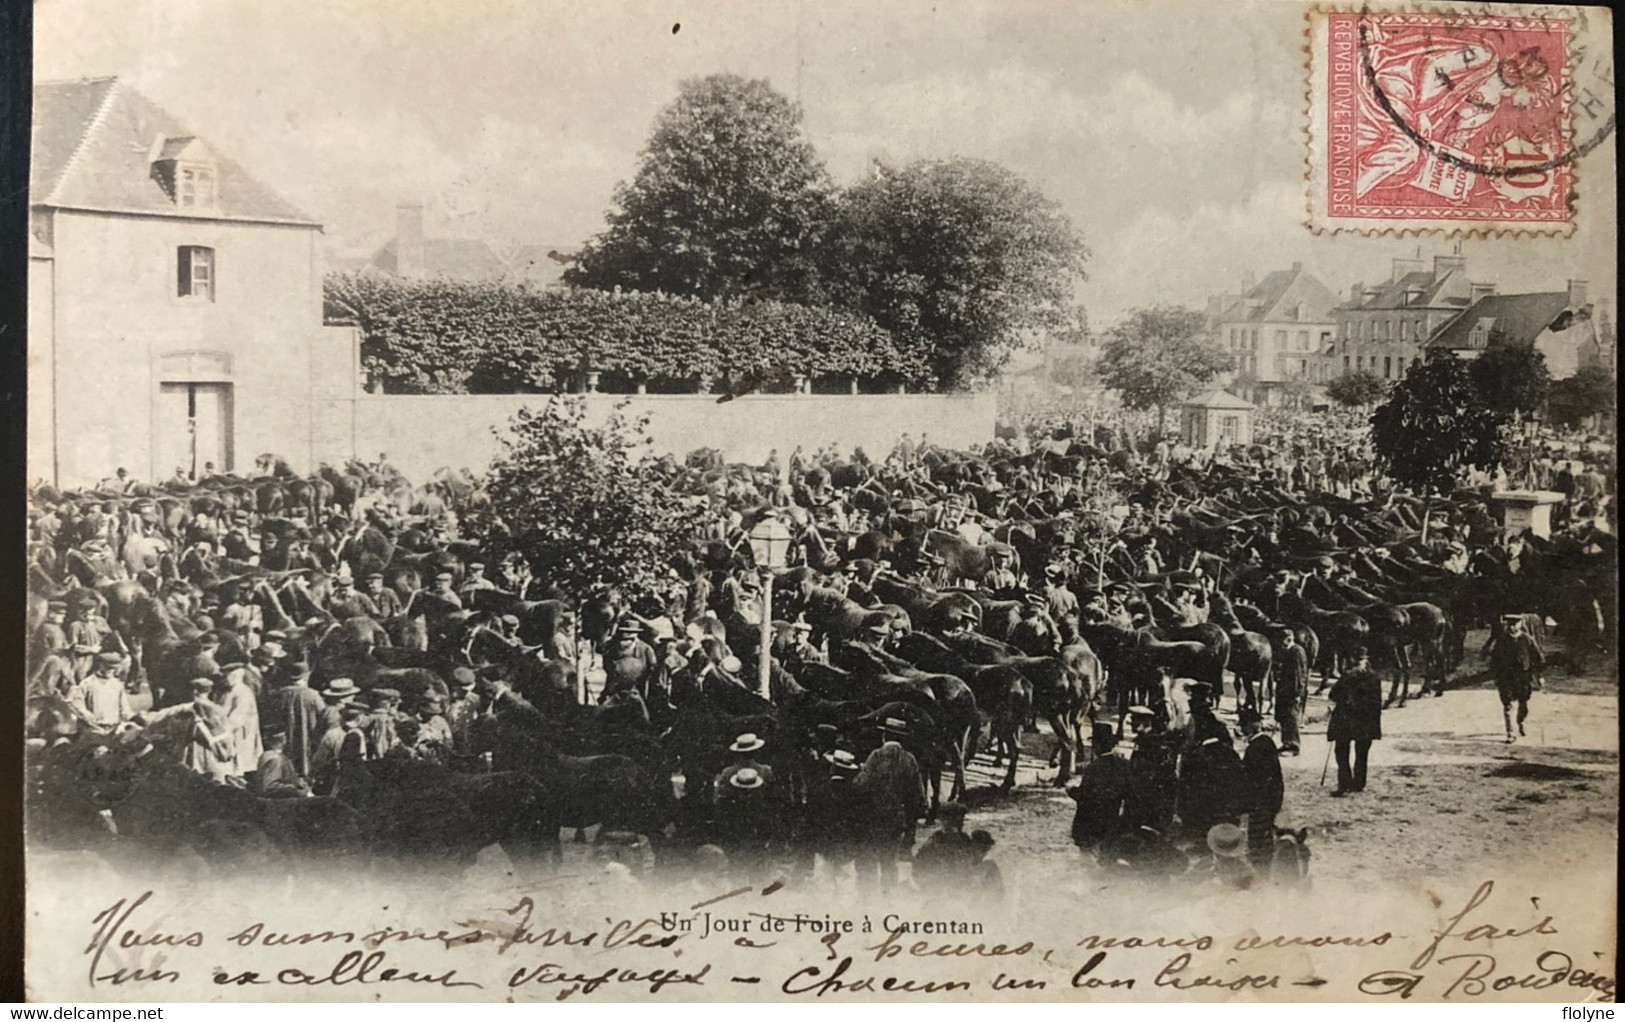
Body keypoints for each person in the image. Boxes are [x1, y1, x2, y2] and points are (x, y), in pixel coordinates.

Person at [1327, 647, 1383, 796]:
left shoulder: (1347, 676)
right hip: (1364, 723)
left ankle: (1345, 784)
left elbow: (1333, 695)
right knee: (1361, 754)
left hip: (1346, 721)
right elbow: (1377, 703)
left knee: (1342, 752)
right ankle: (1358, 783)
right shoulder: (1374, 677)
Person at [1237, 706, 1284, 876]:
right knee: (1264, 834)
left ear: (1251, 726)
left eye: (1244, 725)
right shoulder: (1266, 743)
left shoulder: (1256, 747)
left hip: (1261, 801)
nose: (1242, 729)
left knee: (1257, 838)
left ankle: (1260, 870)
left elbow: (1253, 779)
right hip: (1270, 798)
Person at [1487, 614, 1545, 743]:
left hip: (1523, 677)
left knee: (1523, 703)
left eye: (1515, 624)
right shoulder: (1502, 640)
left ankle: (1521, 721)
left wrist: (1539, 675)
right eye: (1510, 624)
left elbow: (1538, 659)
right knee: (1507, 704)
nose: (1512, 627)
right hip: (1506, 677)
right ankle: (1510, 732)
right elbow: (1494, 660)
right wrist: (1496, 676)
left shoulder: (1527, 639)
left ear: (1520, 624)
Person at [1272, 628, 1308, 755]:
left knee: (1291, 717)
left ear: (1289, 639)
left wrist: (1298, 693)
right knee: (1283, 716)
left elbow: (1299, 675)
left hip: (1292, 692)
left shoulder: (1296, 651)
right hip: (1284, 690)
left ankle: (1294, 746)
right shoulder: (1288, 651)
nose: (1281, 644)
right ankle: (1286, 743)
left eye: (1283, 641)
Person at [76, 652, 132, 729]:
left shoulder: (117, 684)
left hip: (113, 726)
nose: (110, 670)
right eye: (107, 667)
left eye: (113, 668)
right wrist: (86, 714)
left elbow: (125, 709)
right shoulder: (87, 684)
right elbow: (77, 705)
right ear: (100, 665)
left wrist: (133, 718)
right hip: (92, 727)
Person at [255, 731, 310, 798]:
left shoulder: (267, 756)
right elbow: (271, 787)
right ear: (284, 740)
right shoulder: (276, 759)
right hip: (279, 804)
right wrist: (295, 789)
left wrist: (297, 781)